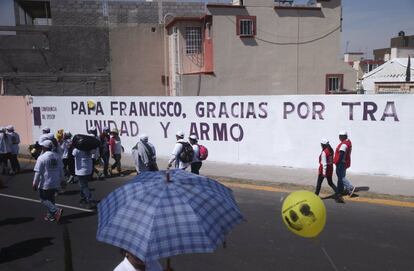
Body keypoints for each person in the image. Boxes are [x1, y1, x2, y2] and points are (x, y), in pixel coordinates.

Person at [32, 140, 64, 222]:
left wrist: (34, 183)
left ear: (44, 147)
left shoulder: (41, 157)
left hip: (45, 182)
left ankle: (56, 210)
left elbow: (38, 172)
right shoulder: (57, 156)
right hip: (56, 181)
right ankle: (50, 215)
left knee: (42, 199)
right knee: (51, 198)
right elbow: (61, 170)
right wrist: (62, 180)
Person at [334, 130, 356, 196]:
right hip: (344, 162)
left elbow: (341, 154)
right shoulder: (348, 142)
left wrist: (337, 162)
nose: (339, 137)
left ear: (343, 136)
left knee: (341, 177)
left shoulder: (344, 144)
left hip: (341, 163)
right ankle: (340, 191)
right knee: (340, 177)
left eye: (340, 136)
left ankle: (350, 187)